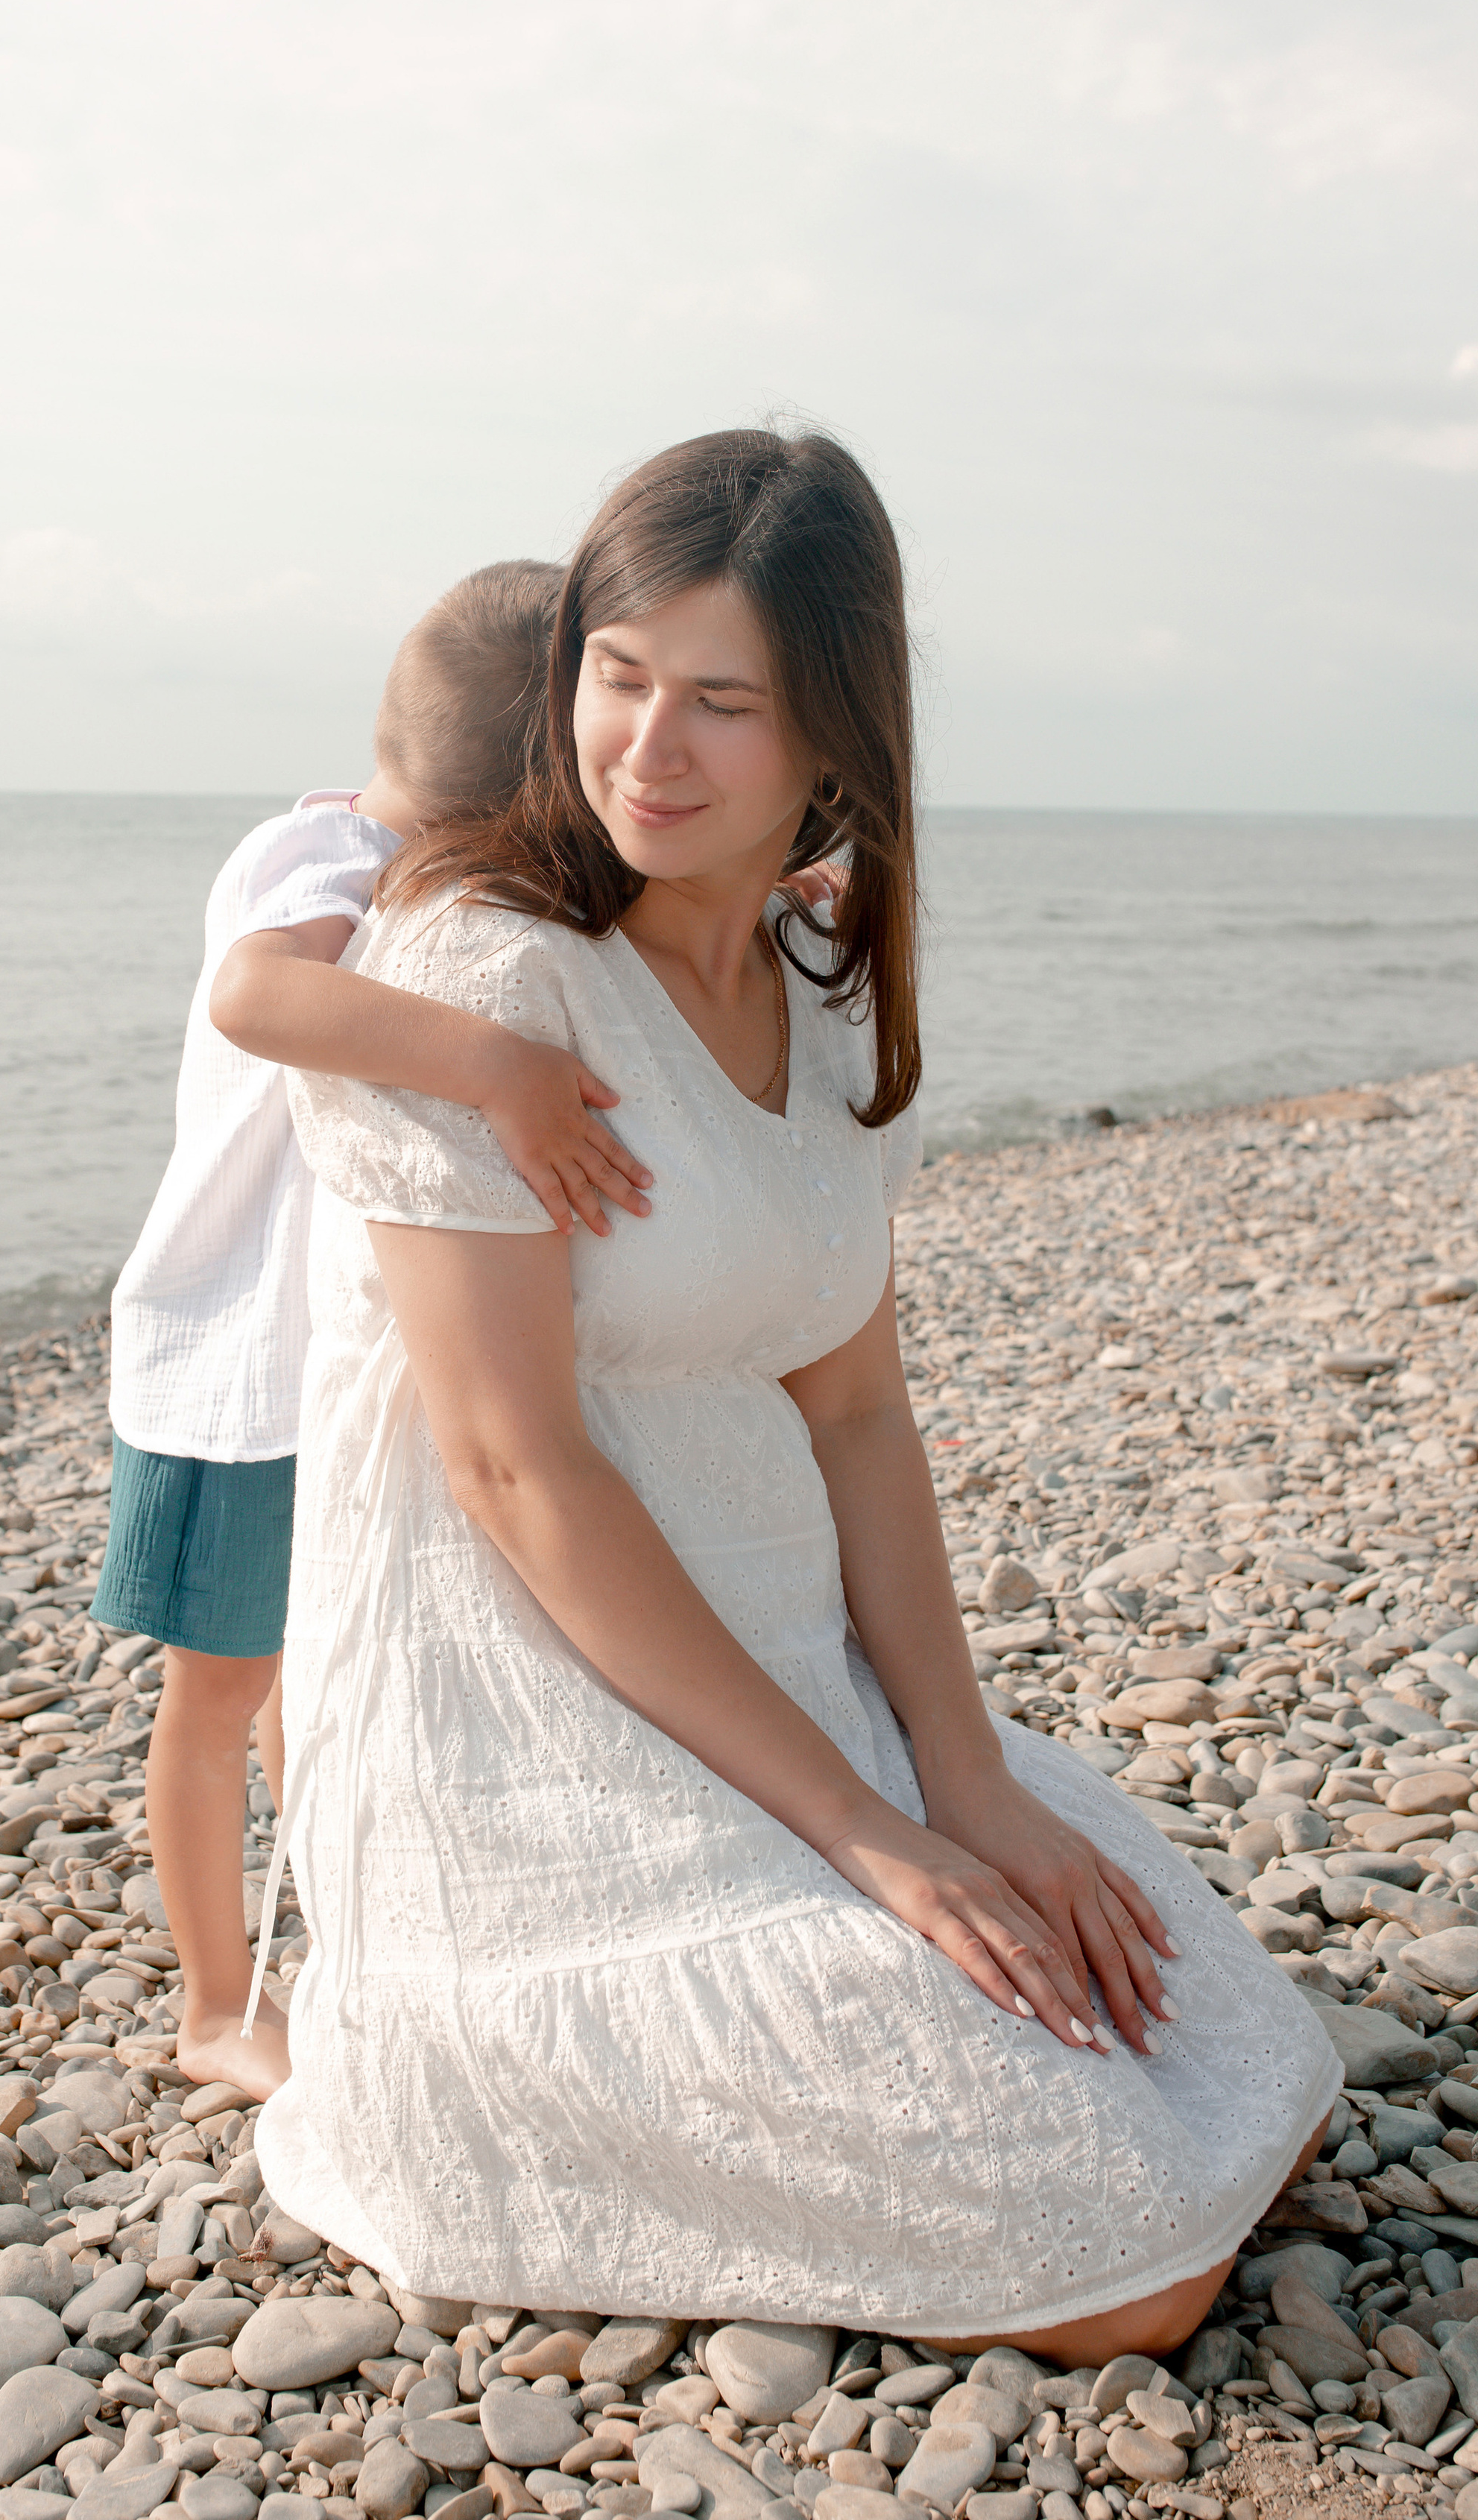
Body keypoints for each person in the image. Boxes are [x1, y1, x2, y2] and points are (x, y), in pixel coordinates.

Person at [253, 432, 1337, 2352]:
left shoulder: (816, 970)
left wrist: (961, 1771)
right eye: (616, 675)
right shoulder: (484, 982)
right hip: (527, 1708)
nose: (645, 749)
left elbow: (852, 1410)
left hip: (780, 1651)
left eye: (722, 701)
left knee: (1252, 2079)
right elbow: (511, 1468)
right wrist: (863, 1829)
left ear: (835, 727)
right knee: (1132, 2267)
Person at [95, 561, 651, 2100]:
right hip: (233, 1367)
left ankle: (337, 1944)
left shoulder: (429, 880)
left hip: (326, 1369)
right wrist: (497, 1068)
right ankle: (214, 2004)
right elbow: (257, 1000)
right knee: (220, 1695)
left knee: (315, 1678)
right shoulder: (322, 853)